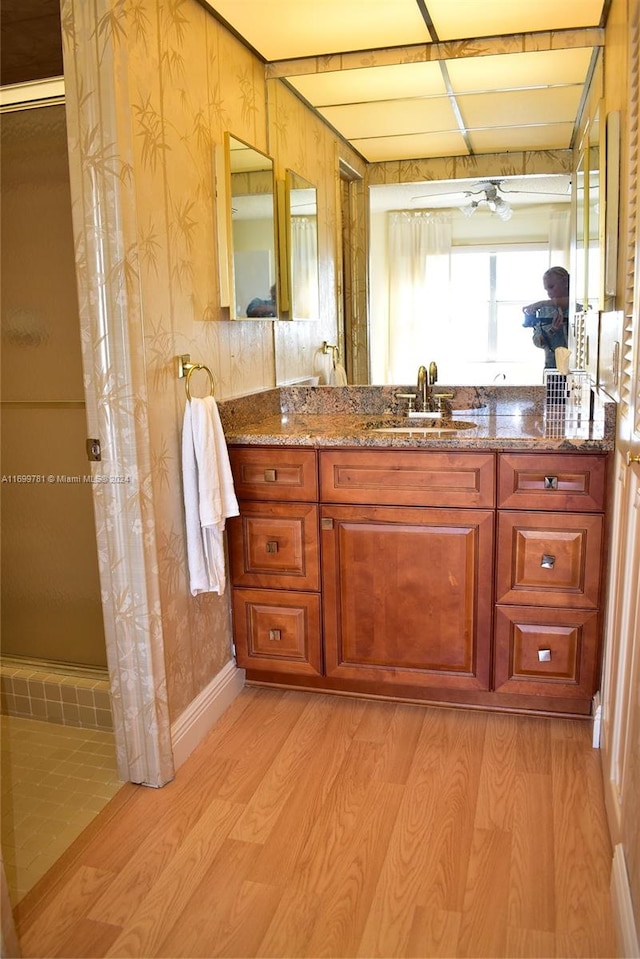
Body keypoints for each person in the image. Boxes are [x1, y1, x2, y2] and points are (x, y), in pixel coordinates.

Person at [522, 266, 570, 369]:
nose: (549, 293)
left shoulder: (577, 308)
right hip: (553, 369)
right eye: (546, 289)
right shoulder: (544, 311)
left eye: (552, 287)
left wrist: (543, 303)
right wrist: (552, 331)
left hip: (576, 368)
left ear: (565, 282)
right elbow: (538, 342)